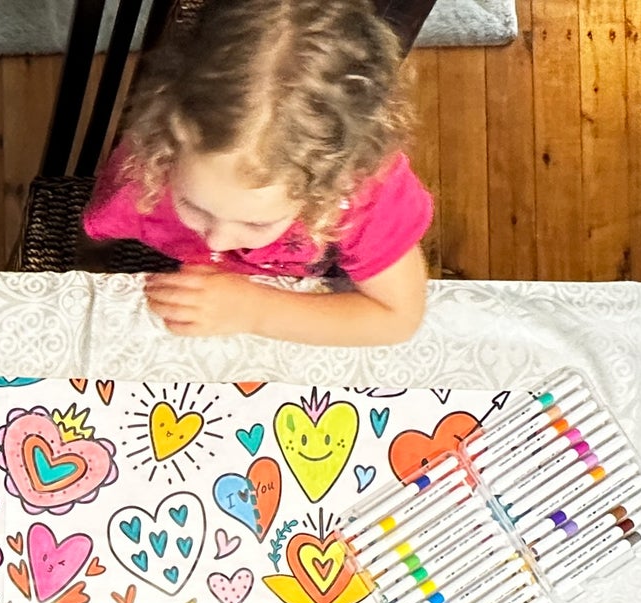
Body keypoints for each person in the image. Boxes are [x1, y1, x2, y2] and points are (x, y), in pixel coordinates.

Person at [86, 0, 431, 346]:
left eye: (256, 223)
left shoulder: (365, 196)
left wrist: (255, 311)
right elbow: (95, 239)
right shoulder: (147, 167)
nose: (217, 241)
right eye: (194, 206)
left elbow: (397, 317)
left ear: (334, 185)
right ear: (167, 141)